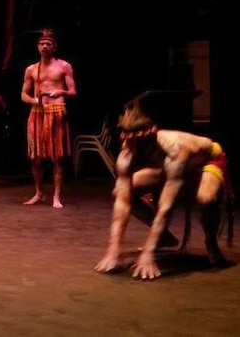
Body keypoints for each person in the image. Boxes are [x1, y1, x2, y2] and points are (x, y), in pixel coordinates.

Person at [94, 102, 232, 279]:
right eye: (129, 140)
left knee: (205, 198)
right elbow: (123, 200)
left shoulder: (175, 150)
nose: (132, 146)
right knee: (119, 192)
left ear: (150, 134)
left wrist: (148, 253)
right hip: (166, 167)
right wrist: (113, 250)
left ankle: (211, 242)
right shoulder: (127, 153)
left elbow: (166, 206)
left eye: (138, 141)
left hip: (205, 162)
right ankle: (165, 238)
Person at [20, 28, 76, 208]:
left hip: (57, 110)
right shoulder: (31, 69)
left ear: (54, 47)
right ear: (37, 47)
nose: (44, 46)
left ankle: (56, 196)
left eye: (48, 44)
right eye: (41, 44)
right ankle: (39, 192)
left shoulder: (64, 66)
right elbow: (23, 94)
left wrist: (61, 91)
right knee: (34, 156)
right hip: (37, 112)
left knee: (57, 157)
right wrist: (34, 100)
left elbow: (73, 92)